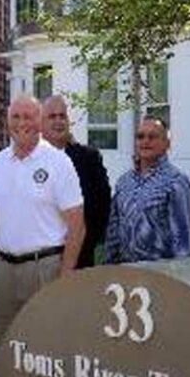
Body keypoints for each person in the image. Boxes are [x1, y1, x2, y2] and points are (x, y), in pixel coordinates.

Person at [0, 96, 85, 372]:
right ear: (7, 122)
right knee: (1, 349)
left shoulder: (58, 163)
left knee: (47, 351)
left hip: (45, 267)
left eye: (29, 117)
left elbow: (77, 225)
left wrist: (65, 278)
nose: (23, 123)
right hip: (3, 270)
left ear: (41, 121)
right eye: (16, 117)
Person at [104, 116, 190, 263]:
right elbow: (114, 232)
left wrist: (180, 276)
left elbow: (184, 242)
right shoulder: (124, 182)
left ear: (167, 143)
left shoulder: (176, 182)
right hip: (125, 273)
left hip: (161, 275)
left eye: (152, 137)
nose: (145, 141)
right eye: (140, 137)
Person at [41, 95, 111, 268]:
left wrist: (85, 244)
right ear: (40, 123)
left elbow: (102, 207)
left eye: (62, 116)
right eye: (52, 116)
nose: (58, 121)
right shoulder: (29, 160)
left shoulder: (89, 158)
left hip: (81, 258)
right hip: (39, 262)